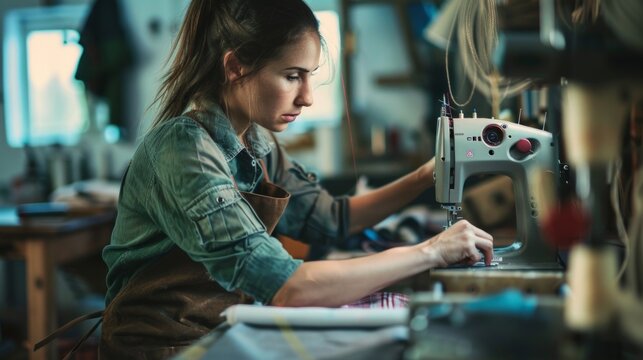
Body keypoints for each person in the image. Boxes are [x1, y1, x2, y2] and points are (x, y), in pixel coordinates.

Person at [99, 0, 494, 358]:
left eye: (310, 77)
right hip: (163, 347)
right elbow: (289, 288)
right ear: (235, 66)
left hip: (220, 332)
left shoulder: (256, 142)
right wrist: (432, 251)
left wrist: (426, 175)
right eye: (292, 76)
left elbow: (331, 218)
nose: (306, 97)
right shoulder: (185, 149)